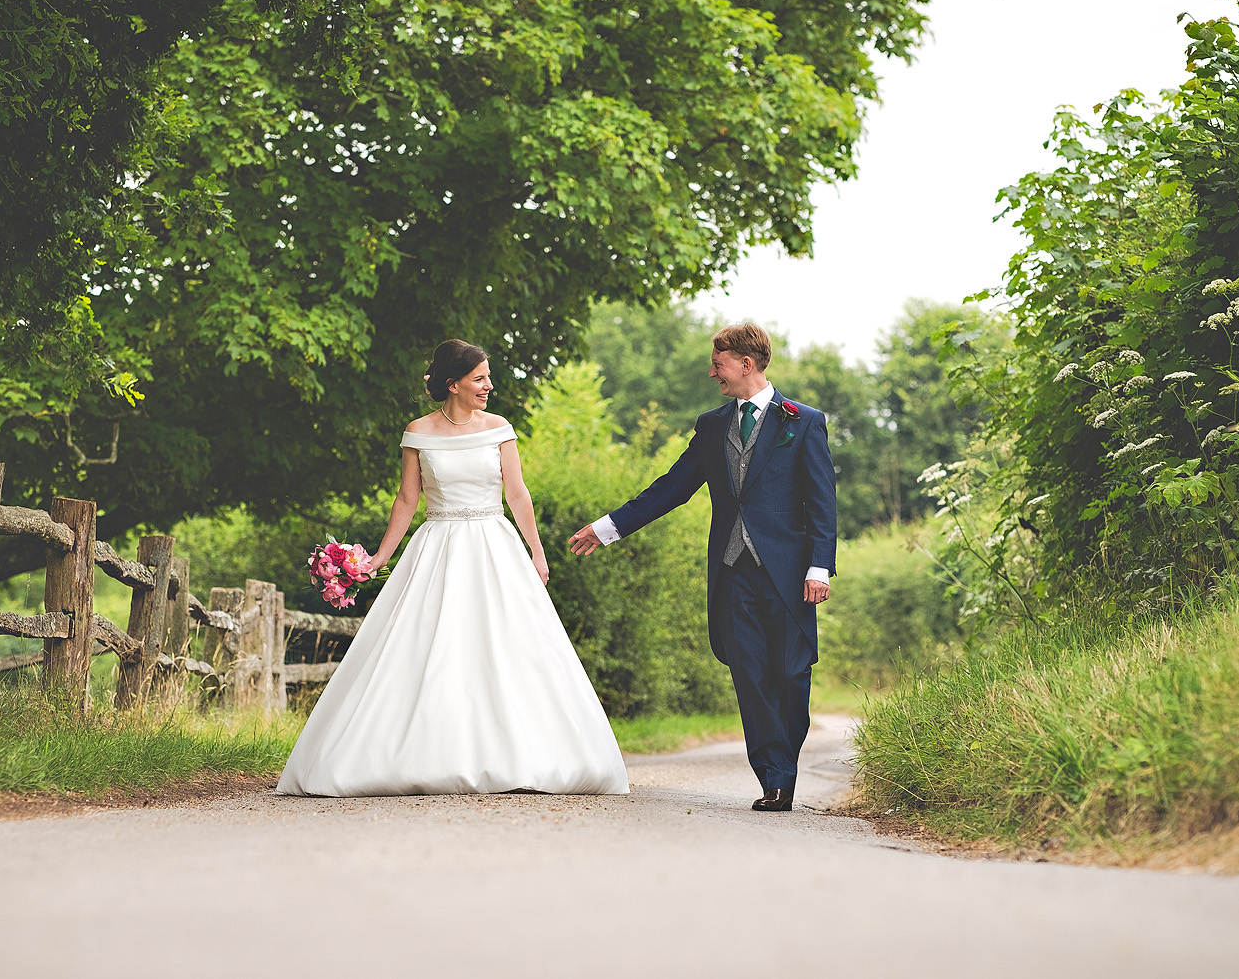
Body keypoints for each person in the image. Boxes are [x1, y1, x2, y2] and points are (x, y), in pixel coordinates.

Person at [277, 339, 629, 797]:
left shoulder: (499, 428)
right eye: (479, 378)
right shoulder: (418, 432)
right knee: (428, 646)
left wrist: (537, 555)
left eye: (487, 377)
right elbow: (407, 499)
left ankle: (522, 755)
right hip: (437, 545)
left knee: (507, 647)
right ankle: (419, 754)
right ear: (452, 384)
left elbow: (517, 495)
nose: (488, 386)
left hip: (494, 546)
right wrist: (379, 559)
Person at [569, 323, 836, 812]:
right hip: (733, 572)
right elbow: (672, 486)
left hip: (790, 574)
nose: (713, 372)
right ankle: (775, 779)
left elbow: (822, 502)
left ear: (746, 364)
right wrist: (607, 527)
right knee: (750, 676)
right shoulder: (712, 426)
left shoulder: (804, 421)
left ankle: (784, 762)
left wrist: (819, 567)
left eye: (719, 363)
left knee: (791, 676)